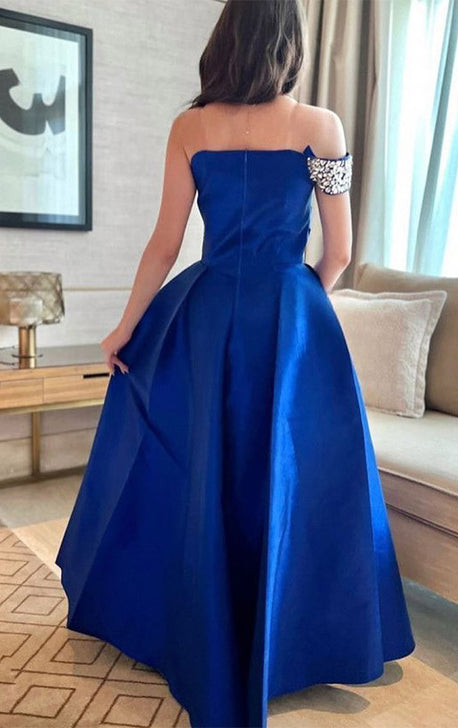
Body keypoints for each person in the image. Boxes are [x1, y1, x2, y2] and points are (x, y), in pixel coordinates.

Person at [55, 1, 416, 726]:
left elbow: (164, 244)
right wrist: (299, 305)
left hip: (208, 312)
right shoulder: (321, 126)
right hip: (290, 315)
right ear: (288, 44)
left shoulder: (189, 128)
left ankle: (195, 626)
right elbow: (341, 251)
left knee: (204, 468)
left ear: (224, 40)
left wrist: (125, 328)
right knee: (291, 473)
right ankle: (288, 638)